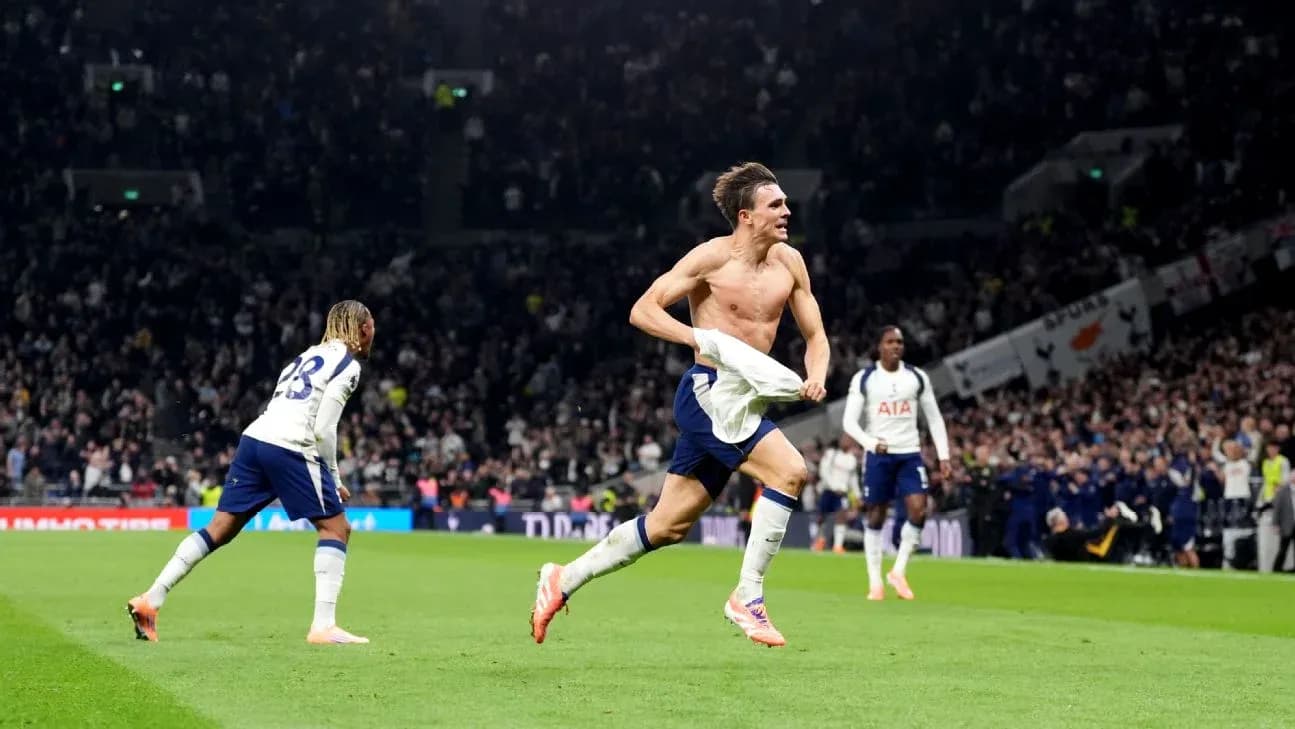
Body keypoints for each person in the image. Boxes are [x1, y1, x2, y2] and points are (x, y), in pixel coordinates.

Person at [530, 162, 829, 647]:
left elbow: (816, 336)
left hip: (745, 401)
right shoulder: (711, 259)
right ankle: (747, 596)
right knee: (790, 471)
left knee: (666, 526)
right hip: (710, 392)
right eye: (775, 204)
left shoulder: (790, 263)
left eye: (785, 204)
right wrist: (701, 339)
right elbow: (642, 310)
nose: (786, 211)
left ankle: (563, 578)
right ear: (746, 216)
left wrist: (816, 375)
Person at [126, 301, 375, 645]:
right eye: (372, 326)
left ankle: (150, 600)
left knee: (219, 528)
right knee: (336, 528)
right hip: (291, 445)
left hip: (255, 439)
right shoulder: (348, 365)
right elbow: (323, 430)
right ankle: (323, 626)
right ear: (362, 329)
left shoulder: (305, 356)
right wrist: (333, 477)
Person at [841, 326, 949, 600]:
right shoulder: (865, 378)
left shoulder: (916, 377)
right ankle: (875, 582)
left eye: (899, 342)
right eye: (890, 342)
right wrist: (869, 443)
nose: (896, 346)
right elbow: (849, 422)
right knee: (876, 515)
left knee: (919, 510)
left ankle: (898, 571)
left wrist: (944, 456)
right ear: (880, 346)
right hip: (878, 456)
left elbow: (934, 418)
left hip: (909, 453)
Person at [813, 436, 859, 553]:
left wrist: (857, 494)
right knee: (821, 517)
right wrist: (834, 487)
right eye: (844, 439)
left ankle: (838, 546)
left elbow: (853, 479)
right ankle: (820, 540)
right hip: (828, 490)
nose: (846, 442)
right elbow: (824, 471)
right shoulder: (831, 454)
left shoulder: (852, 459)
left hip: (842, 493)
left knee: (841, 516)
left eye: (849, 440)